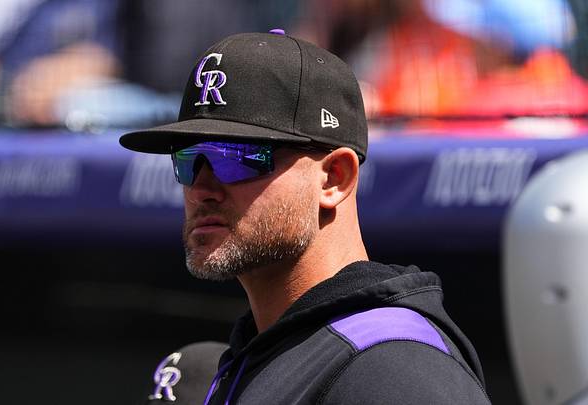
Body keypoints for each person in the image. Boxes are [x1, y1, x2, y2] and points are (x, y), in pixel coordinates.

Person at [120, 30, 491, 404]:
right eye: (188, 161)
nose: (201, 189)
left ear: (334, 178)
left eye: (235, 158)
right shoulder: (259, 353)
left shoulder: (394, 371)